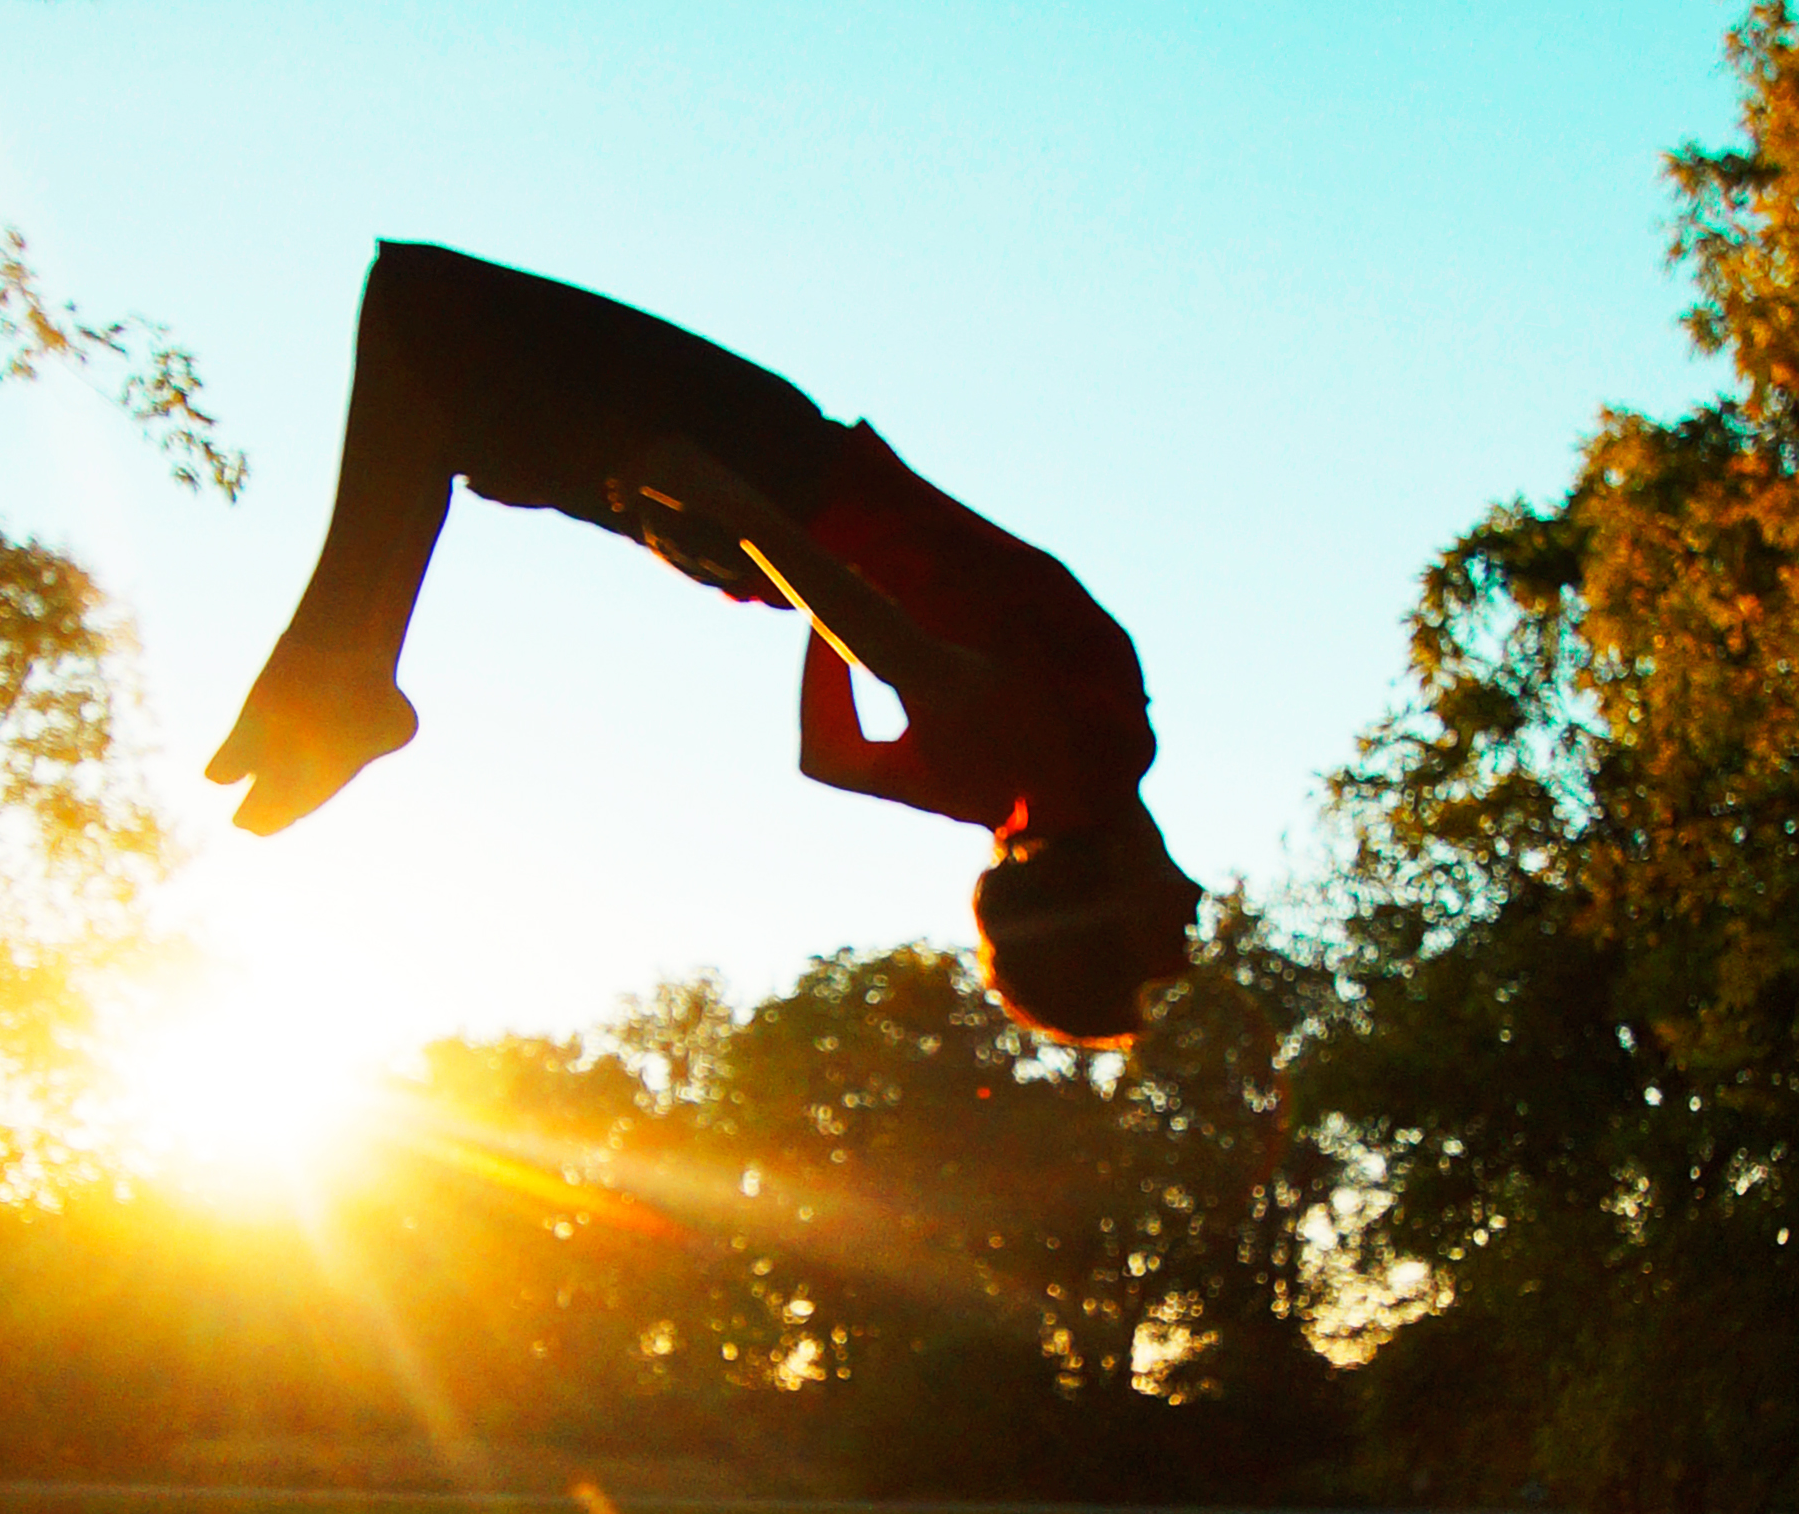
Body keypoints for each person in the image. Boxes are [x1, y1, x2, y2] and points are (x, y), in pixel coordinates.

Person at [210, 240, 1201, 1047]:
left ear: (1107, 912)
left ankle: (349, 668)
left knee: (427, 308)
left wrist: (773, 528)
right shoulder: (996, 797)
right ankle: (352, 670)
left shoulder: (1097, 759)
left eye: (1168, 947)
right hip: (747, 536)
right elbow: (833, 753)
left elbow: (915, 667)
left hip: (774, 473)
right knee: (444, 394)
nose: (1196, 918)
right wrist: (813, 579)